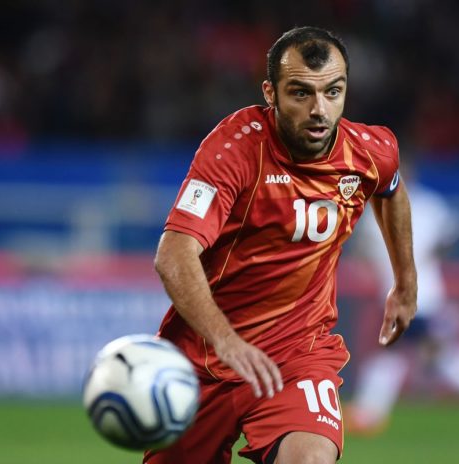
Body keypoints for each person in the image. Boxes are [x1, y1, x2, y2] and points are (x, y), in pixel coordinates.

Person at [145, 27, 417, 464]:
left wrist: (405, 283)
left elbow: (391, 189)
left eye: (333, 92)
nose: (319, 110)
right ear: (270, 93)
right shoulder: (234, 149)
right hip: (204, 358)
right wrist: (226, 339)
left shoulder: (370, 151)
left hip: (297, 354)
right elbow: (174, 254)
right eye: (301, 93)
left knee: (309, 459)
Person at [345, 180, 459, 434]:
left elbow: (453, 234)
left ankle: (369, 413)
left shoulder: (425, 204)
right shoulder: (378, 205)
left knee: (396, 351)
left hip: (418, 293)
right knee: (430, 352)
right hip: (403, 292)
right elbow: (365, 247)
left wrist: (426, 256)